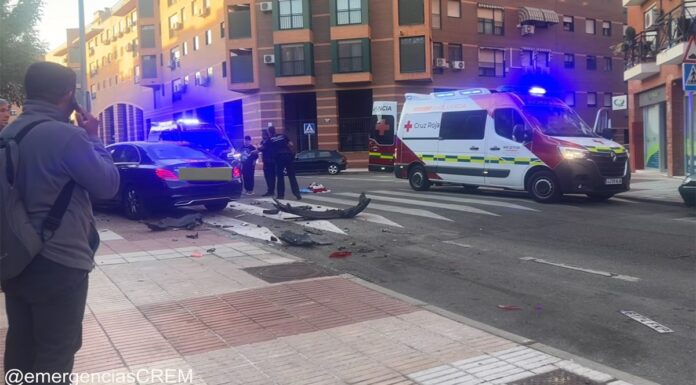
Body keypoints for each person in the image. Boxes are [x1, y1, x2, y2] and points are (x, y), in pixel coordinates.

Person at [0, 62, 120, 381]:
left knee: (21, 345)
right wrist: (94, 137)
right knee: (56, 351)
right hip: (59, 259)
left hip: (15, 257)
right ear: (68, 95)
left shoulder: (9, 132)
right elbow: (108, 185)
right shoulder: (66, 136)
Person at [268, 126, 301, 200]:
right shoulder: (283, 136)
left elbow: (265, 148)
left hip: (279, 158)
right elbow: (291, 144)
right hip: (288, 156)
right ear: (275, 130)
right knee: (292, 176)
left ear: (269, 132)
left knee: (280, 177)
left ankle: (280, 195)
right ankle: (297, 194)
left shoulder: (270, 139)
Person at [258, 129, 275, 197]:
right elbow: (261, 147)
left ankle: (271, 191)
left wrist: (258, 148)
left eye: (263, 134)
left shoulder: (269, 141)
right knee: (267, 176)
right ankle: (270, 190)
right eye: (262, 134)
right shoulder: (263, 141)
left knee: (271, 176)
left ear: (266, 134)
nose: (262, 135)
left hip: (270, 160)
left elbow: (262, 148)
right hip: (266, 160)